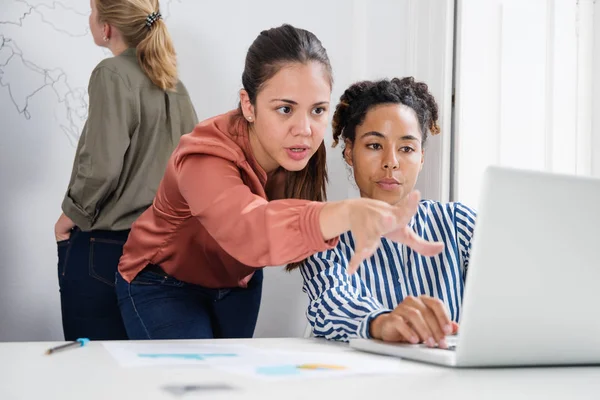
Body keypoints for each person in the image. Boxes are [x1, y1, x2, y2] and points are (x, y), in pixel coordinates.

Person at [115, 24, 444, 340]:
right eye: (285, 109)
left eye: (317, 110)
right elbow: (249, 228)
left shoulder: (299, 148)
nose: (304, 127)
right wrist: (348, 213)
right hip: (163, 281)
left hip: (237, 284)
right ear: (249, 105)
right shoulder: (203, 156)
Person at [55, 0, 198, 341]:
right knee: (146, 375)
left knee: (94, 370)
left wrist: (70, 213)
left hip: (107, 250)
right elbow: (193, 165)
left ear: (107, 27)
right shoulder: (174, 83)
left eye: (92, 11)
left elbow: (101, 166)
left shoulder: (111, 73)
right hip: (165, 251)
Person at [300, 77, 477, 348]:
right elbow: (329, 304)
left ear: (421, 158)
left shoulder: (460, 224)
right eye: (374, 145)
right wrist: (381, 322)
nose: (390, 163)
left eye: (406, 148)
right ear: (349, 152)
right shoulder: (324, 230)